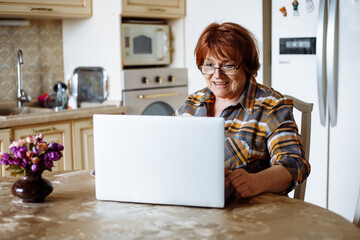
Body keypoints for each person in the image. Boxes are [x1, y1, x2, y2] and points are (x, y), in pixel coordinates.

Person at [175, 22, 310, 198]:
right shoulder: (193, 102)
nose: (217, 75)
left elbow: (295, 164)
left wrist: (255, 182)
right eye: (209, 65)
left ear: (246, 66)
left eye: (228, 65)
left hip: (252, 216)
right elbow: (169, 152)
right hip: (195, 205)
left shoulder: (272, 106)